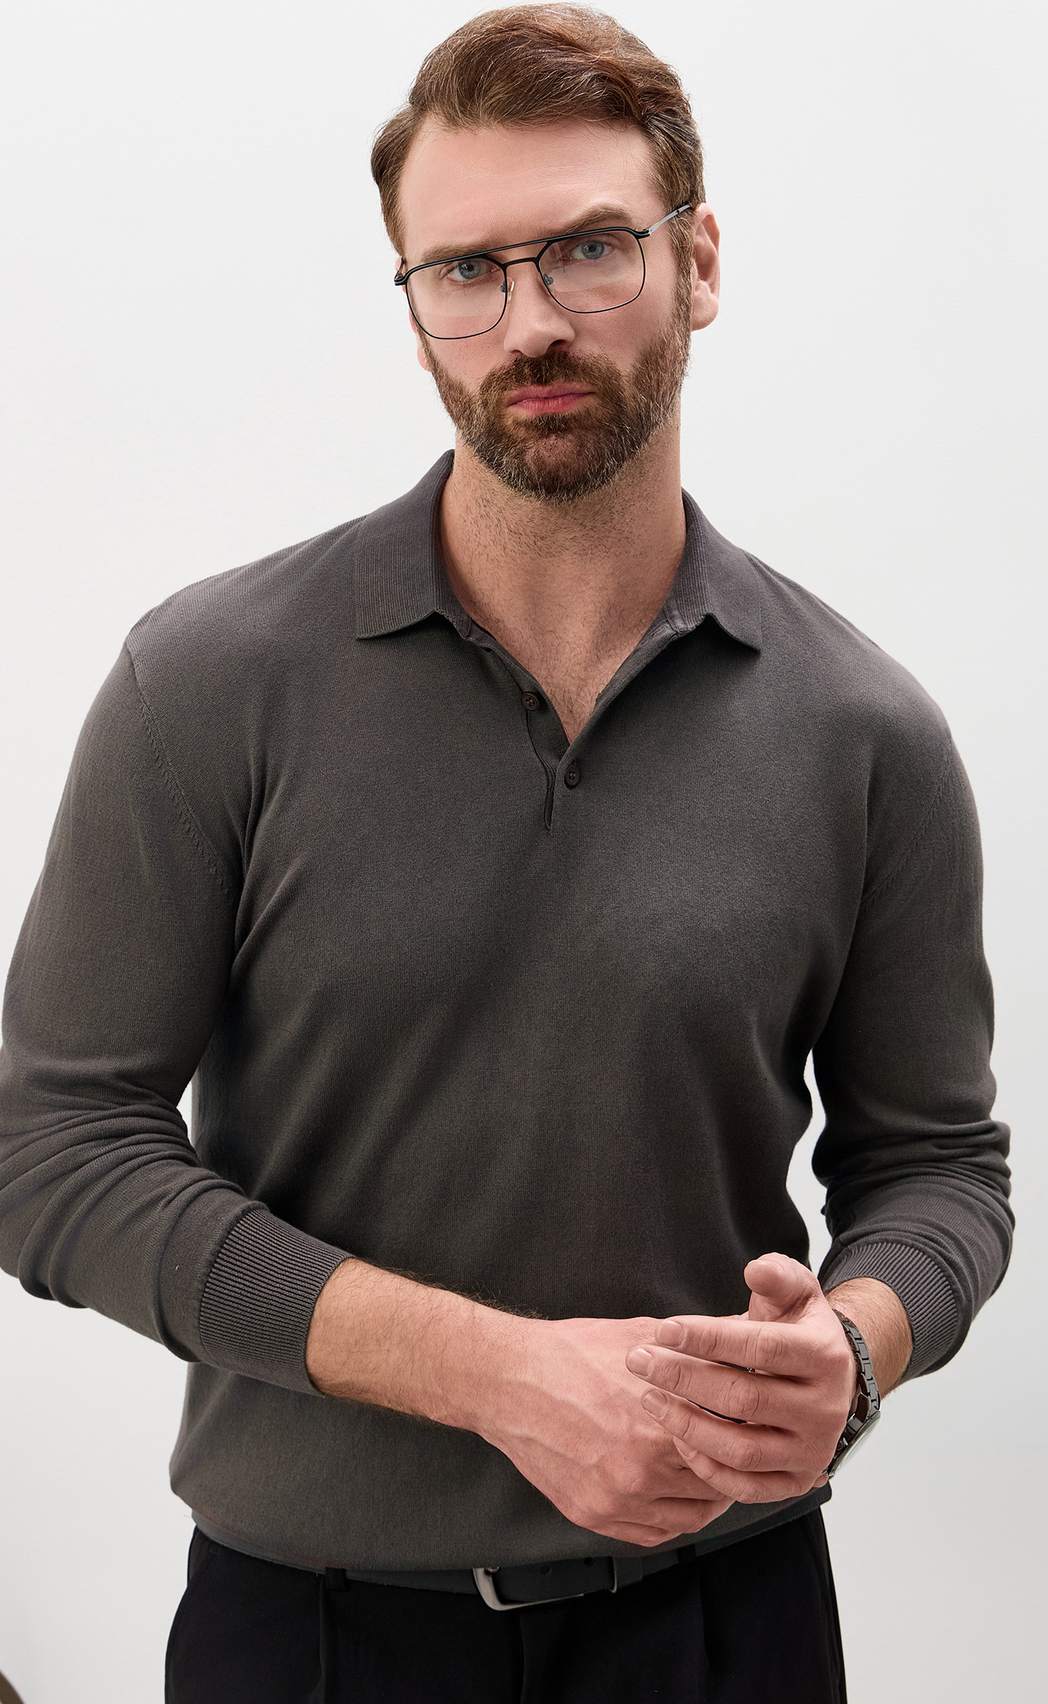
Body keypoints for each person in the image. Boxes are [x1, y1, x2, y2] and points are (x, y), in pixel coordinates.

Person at [0, 6, 1013, 1702]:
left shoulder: (866, 730)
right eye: (464, 271)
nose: (529, 322)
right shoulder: (210, 683)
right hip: (310, 1638)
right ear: (414, 310)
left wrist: (854, 1347)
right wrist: (497, 1375)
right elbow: (49, 1151)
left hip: (731, 1627)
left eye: (590, 251)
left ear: (698, 263)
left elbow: (941, 1173)